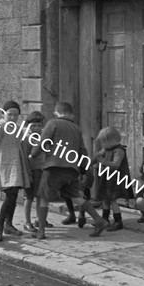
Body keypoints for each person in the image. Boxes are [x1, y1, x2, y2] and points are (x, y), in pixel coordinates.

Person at [30, 102, 109, 239]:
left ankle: (40, 231)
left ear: (56, 112)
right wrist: (84, 170)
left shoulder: (53, 123)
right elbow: (82, 150)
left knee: (44, 198)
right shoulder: (76, 128)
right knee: (76, 197)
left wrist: (33, 154)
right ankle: (99, 220)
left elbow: (43, 141)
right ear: (71, 114)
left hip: (54, 167)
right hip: (72, 169)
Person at [0, 100, 31, 241]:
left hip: (16, 164)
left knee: (13, 195)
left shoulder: (18, 129)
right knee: (10, 195)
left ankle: (9, 225)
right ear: (3, 114)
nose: (12, 117)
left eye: (16, 115)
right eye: (10, 114)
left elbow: (22, 146)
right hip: (3, 164)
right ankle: (0, 226)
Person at [93, 126, 134, 232]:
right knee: (105, 200)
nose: (102, 144)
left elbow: (116, 165)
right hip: (106, 178)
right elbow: (96, 158)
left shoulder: (119, 151)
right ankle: (105, 219)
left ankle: (118, 221)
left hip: (115, 180)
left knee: (113, 200)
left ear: (109, 141)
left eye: (103, 142)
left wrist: (104, 162)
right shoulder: (107, 150)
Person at [21, 111, 52, 232]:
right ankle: (27, 222)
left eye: (39, 125)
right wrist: (28, 173)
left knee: (41, 196)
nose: (36, 128)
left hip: (42, 170)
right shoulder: (27, 139)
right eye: (33, 126)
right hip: (32, 171)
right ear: (28, 126)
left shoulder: (43, 137)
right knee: (29, 198)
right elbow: (25, 157)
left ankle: (40, 219)